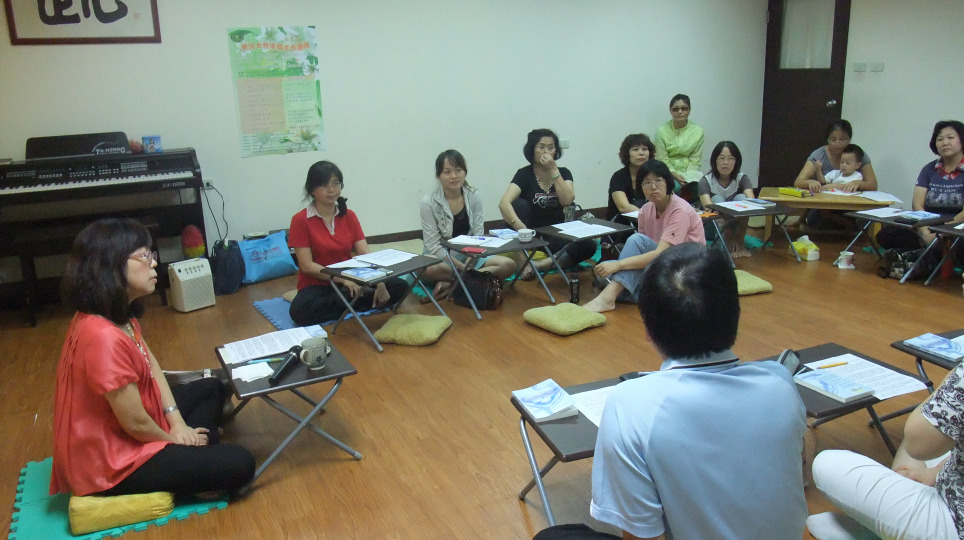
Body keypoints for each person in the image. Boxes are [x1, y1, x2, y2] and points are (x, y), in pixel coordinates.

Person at [536, 243, 808, 540]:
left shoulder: (629, 405)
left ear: (648, 330)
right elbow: (800, 464)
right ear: (736, 313)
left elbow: (643, 535)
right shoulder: (781, 382)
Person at [51, 219, 254, 497]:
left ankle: (197, 453)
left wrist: (178, 424)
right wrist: (175, 440)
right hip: (110, 461)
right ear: (111, 265)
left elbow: (151, 365)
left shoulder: (117, 312)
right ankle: (197, 457)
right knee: (241, 462)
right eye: (145, 256)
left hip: (133, 425)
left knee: (212, 388)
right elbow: (135, 423)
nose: (154, 263)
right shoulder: (102, 337)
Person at [808, 362, 964, 540]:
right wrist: (933, 473)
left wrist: (955, 377)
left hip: (955, 523)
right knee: (929, 438)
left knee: (827, 464)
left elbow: (916, 445)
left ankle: (887, 532)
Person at [288, 161, 411, 326]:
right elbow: (307, 266)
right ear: (312, 189)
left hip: (354, 276)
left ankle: (351, 300)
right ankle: (356, 300)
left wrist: (380, 282)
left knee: (400, 286)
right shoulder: (300, 220)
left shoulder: (349, 216)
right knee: (300, 310)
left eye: (336, 183)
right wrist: (343, 280)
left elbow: (365, 254)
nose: (332, 190)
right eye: (324, 185)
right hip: (319, 284)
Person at [583, 160, 704, 313]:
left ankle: (608, 298)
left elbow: (660, 253)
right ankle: (651, 296)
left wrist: (619, 265)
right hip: (659, 265)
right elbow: (647, 256)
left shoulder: (680, 211)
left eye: (658, 180)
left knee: (633, 244)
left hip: (684, 269)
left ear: (668, 182)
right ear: (641, 187)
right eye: (647, 182)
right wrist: (618, 266)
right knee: (603, 272)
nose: (653, 187)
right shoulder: (646, 210)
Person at [499, 128, 596, 279]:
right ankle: (522, 261)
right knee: (519, 205)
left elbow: (567, 201)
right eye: (541, 147)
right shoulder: (524, 174)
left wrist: (554, 170)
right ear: (532, 150)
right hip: (529, 233)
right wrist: (518, 225)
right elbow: (504, 203)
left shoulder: (564, 172)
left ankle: (540, 265)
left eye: (550, 148)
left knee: (588, 244)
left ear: (556, 151)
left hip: (555, 234)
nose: (546, 152)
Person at [420, 149, 516, 297]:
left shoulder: (474, 196)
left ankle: (454, 283)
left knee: (509, 265)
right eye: (447, 172)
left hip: (470, 255)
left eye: (458, 170)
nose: (454, 176)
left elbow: (478, 236)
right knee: (426, 267)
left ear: (465, 172)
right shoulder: (428, 202)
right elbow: (433, 246)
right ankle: (472, 280)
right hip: (443, 258)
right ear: (438, 176)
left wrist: (468, 264)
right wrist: (462, 268)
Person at [876, 120, 964, 254]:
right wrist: (925, 233)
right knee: (886, 234)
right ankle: (929, 252)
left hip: (956, 227)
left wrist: (942, 232)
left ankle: (926, 253)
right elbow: (917, 205)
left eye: (950, 137)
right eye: (940, 139)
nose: (945, 143)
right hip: (928, 225)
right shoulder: (929, 169)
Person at [698, 141, 756, 258]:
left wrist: (737, 235)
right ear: (715, 160)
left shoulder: (742, 178)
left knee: (742, 198)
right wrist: (729, 233)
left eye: (730, 158)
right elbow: (708, 208)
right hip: (712, 226)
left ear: (736, 161)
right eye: (722, 158)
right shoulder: (705, 181)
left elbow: (751, 201)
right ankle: (726, 242)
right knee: (718, 200)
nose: (726, 162)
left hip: (735, 225)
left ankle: (740, 241)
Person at [793, 120, 878, 194]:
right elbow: (798, 182)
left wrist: (858, 183)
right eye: (833, 140)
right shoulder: (818, 155)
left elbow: (873, 185)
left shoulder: (857, 154)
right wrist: (810, 182)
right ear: (828, 140)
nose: (837, 143)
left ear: (849, 140)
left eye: (842, 139)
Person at [653, 94, 704, 189]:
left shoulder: (698, 131)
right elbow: (662, 159)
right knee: (675, 187)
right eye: (675, 109)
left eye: (684, 108)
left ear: (689, 110)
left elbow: (695, 159)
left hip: (690, 173)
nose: (680, 112)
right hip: (667, 172)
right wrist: (674, 174)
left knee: (700, 187)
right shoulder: (661, 131)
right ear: (670, 111)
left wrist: (688, 177)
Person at [605, 133, 655, 221]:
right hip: (620, 223)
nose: (641, 153)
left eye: (645, 149)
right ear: (627, 154)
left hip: (646, 222)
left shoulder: (654, 175)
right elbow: (623, 207)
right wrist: (649, 219)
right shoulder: (619, 176)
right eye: (635, 149)